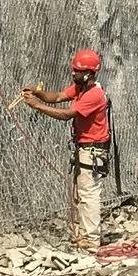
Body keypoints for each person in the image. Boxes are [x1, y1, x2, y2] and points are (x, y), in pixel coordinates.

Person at [20, 49, 110, 251]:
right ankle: (87, 236)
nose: (72, 73)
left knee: (89, 194)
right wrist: (39, 94)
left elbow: (67, 114)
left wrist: (37, 105)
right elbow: (59, 96)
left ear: (87, 73)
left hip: (92, 150)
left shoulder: (94, 94)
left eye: (76, 71)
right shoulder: (82, 88)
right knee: (82, 193)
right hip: (85, 148)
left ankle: (92, 240)